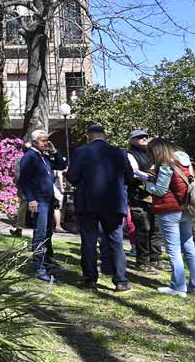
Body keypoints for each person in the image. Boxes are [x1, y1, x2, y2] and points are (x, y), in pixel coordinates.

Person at [66, 125, 133, 292]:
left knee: (88, 241)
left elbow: (73, 177)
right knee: (116, 241)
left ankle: (90, 279)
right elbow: (129, 177)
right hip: (113, 203)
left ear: (88, 136)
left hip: (88, 203)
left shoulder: (81, 152)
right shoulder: (119, 152)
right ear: (105, 135)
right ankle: (120, 280)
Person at [144, 138, 195, 297]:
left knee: (174, 249)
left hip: (169, 211)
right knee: (189, 247)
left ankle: (178, 287)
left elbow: (160, 191)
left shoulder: (166, 164)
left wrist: (147, 183)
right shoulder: (184, 160)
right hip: (186, 209)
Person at [18, 130, 67, 282]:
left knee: (47, 233)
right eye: (43, 141)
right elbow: (23, 180)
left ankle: (48, 261)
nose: (46, 143)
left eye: (47, 140)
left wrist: (54, 150)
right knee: (40, 234)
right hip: (39, 201)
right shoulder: (29, 157)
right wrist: (31, 199)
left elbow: (61, 164)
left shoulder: (44, 157)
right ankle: (39, 267)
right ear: (34, 142)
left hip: (48, 200)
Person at [126, 130, 165, 273]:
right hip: (138, 196)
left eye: (145, 137)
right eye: (139, 137)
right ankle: (142, 262)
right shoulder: (129, 154)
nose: (144, 139)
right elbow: (134, 172)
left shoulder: (152, 154)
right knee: (143, 229)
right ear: (132, 140)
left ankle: (156, 259)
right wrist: (150, 177)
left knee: (155, 229)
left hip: (154, 196)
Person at [9, 141, 31, 237]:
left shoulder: (20, 160)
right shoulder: (22, 160)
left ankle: (20, 228)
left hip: (27, 186)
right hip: (26, 186)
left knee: (23, 206)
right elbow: (18, 175)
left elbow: (17, 175)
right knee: (24, 205)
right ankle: (19, 228)